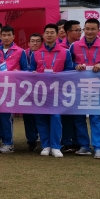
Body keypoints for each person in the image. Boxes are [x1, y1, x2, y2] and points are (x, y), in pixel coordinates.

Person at [69, 18, 100, 159]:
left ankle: (98, 147)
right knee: (79, 118)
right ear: (83, 29)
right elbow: (68, 63)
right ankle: (84, 146)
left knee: (96, 118)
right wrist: (75, 66)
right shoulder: (75, 46)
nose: (89, 32)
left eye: (93, 29)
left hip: (97, 87)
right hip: (79, 87)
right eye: (87, 29)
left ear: (98, 30)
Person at [29, 23, 74, 158]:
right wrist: (33, 73)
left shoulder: (65, 52)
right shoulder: (36, 53)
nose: (49, 35)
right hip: (40, 91)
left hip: (57, 91)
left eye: (52, 32)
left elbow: (70, 70)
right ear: (43, 35)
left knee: (55, 117)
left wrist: (59, 75)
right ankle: (45, 145)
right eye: (47, 33)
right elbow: (30, 70)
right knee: (41, 118)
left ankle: (55, 146)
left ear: (57, 34)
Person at [0, 25, 28, 154]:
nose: (6, 38)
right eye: (4, 35)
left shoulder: (20, 51)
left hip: (11, 89)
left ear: (13, 36)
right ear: (1, 36)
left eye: (9, 35)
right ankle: (4, 140)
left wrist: (18, 72)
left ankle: (9, 143)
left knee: (6, 116)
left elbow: (26, 70)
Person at [59, 20, 82, 152]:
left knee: (79, 115)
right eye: (76, 30)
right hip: (64, 86)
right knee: (66, 115)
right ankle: (67, 142)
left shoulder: (83, 45)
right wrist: (75, 66)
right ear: (68, 32)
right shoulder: (60, 47)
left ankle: (79, 142)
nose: (80, 32)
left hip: (81, 85)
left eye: (80, 30)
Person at [24, 34, 42, 151]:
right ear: (28, 43)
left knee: (40, 115)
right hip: (26, 89)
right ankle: (31, 140)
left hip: (42, 89)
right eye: (32, 41)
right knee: (28, 115)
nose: (35, 43)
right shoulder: (23, 53)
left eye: (37, 41)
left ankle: (43, 138)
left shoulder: (44, 54)